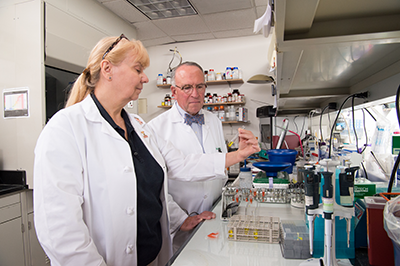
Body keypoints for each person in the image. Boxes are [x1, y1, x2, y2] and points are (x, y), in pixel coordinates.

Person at [33, 34, 260, 266]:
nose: (145, 78)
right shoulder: (65, 128)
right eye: (138, 69)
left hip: (153, 257)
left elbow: (182, 164)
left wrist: (238, 155)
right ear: (107, 69)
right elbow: (58, 229)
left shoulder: (139, 127)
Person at [147, 61, 232, 250]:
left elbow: (220, 167)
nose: (195, 94)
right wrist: (180, 219)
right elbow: (154, 188)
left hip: (214, 219)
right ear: (174, 92)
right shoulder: (155, 129)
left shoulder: (215, 121)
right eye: (187, 87)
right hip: (180, 229)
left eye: (200, 86)